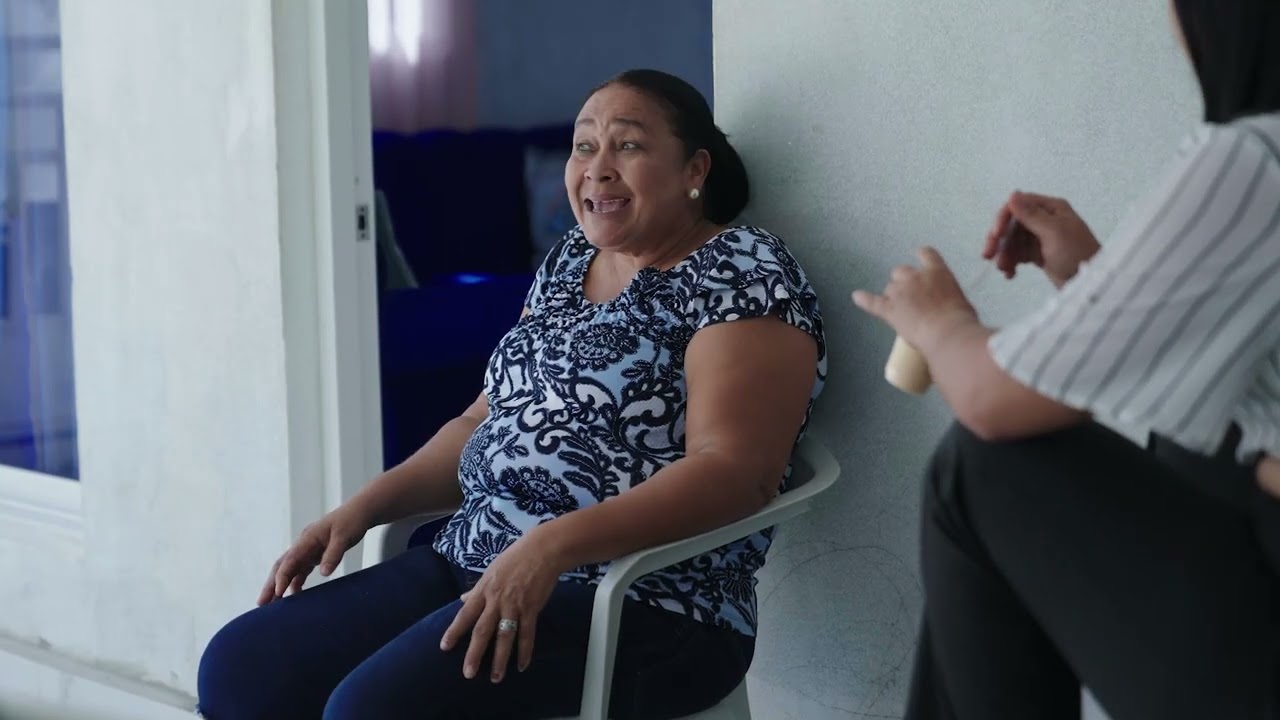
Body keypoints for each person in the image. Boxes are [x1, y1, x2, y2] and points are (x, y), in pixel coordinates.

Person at [196, 69, 827, 720]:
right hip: (480, 556)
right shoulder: (567, 264)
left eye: (628, 146)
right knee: (244, 670)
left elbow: (734, 475)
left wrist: (550, 547)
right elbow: (483, 421)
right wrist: (361, 509)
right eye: (584, 146)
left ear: (695, 167)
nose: (598, 168)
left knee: (369, 710)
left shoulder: (744, 275)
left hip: (647, 601)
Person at [852, 2, 1280, 718]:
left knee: (980, 470)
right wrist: (1091, 278)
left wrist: (940, 321)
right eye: (586, 145)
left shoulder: (1255, 155)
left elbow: (992, 401)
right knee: (1204, 422)